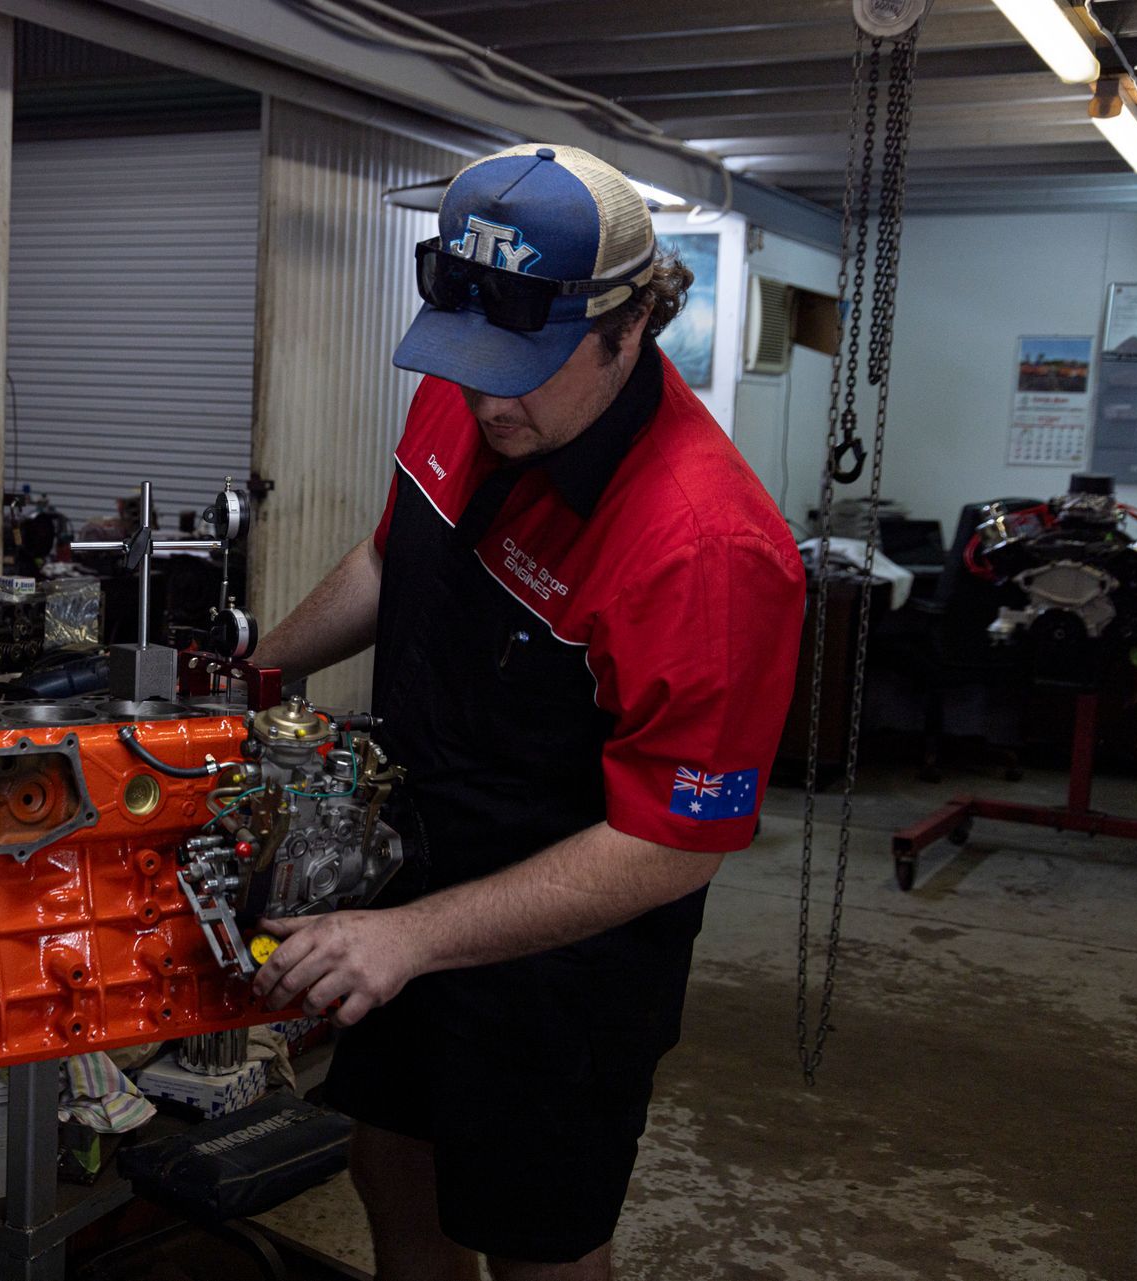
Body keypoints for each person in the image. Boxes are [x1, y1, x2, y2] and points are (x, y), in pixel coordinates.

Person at [248, 144, 806, 1280]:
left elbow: (674, 841)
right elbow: (398, 551)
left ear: (631, 322)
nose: (488, 397)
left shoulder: (707, 549)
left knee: (534, 1239)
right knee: (389, 1164)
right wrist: (255, 673)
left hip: (566, 950)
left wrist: (408, 939)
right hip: (409, 877)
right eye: (468, 358)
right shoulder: (470, 386)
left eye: (526, 366)